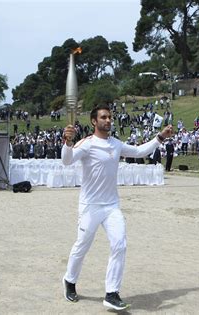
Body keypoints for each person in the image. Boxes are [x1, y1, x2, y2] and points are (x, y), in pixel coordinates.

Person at [61, 104, 173, 311]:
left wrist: (160, 137)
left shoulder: (116, 143)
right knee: (82, 245)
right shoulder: (87, 144)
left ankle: (111, 293)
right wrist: (67, 143)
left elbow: (139, 152)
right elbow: (67, 161)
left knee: (119, 244)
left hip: (111, 206)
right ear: (94, 121)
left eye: (110, 117)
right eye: (104, 117)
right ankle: (69, 280)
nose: (108, 120)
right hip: (90, 206)